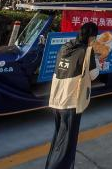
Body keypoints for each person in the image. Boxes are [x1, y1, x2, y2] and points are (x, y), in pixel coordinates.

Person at [45, 22, 99, 169]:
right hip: (71, 102)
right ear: (91, 37)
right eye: (94, 37)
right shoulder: (86, 51)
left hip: (56, 98)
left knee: (59, 138)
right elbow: (94, 75)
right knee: (67, 143)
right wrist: (96, 60)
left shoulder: (65, 46)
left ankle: (51, 164)